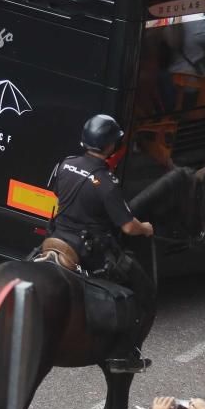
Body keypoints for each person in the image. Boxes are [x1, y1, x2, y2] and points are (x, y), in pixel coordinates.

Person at [47, 114, 154, 373]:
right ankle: (124, 354)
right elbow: (128, 226)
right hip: (88, 251)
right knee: (141, 290)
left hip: (56, 238)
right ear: (110, 146)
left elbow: (54, 191)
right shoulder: (107, 182)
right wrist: (146, 228)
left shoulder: (65, 164)